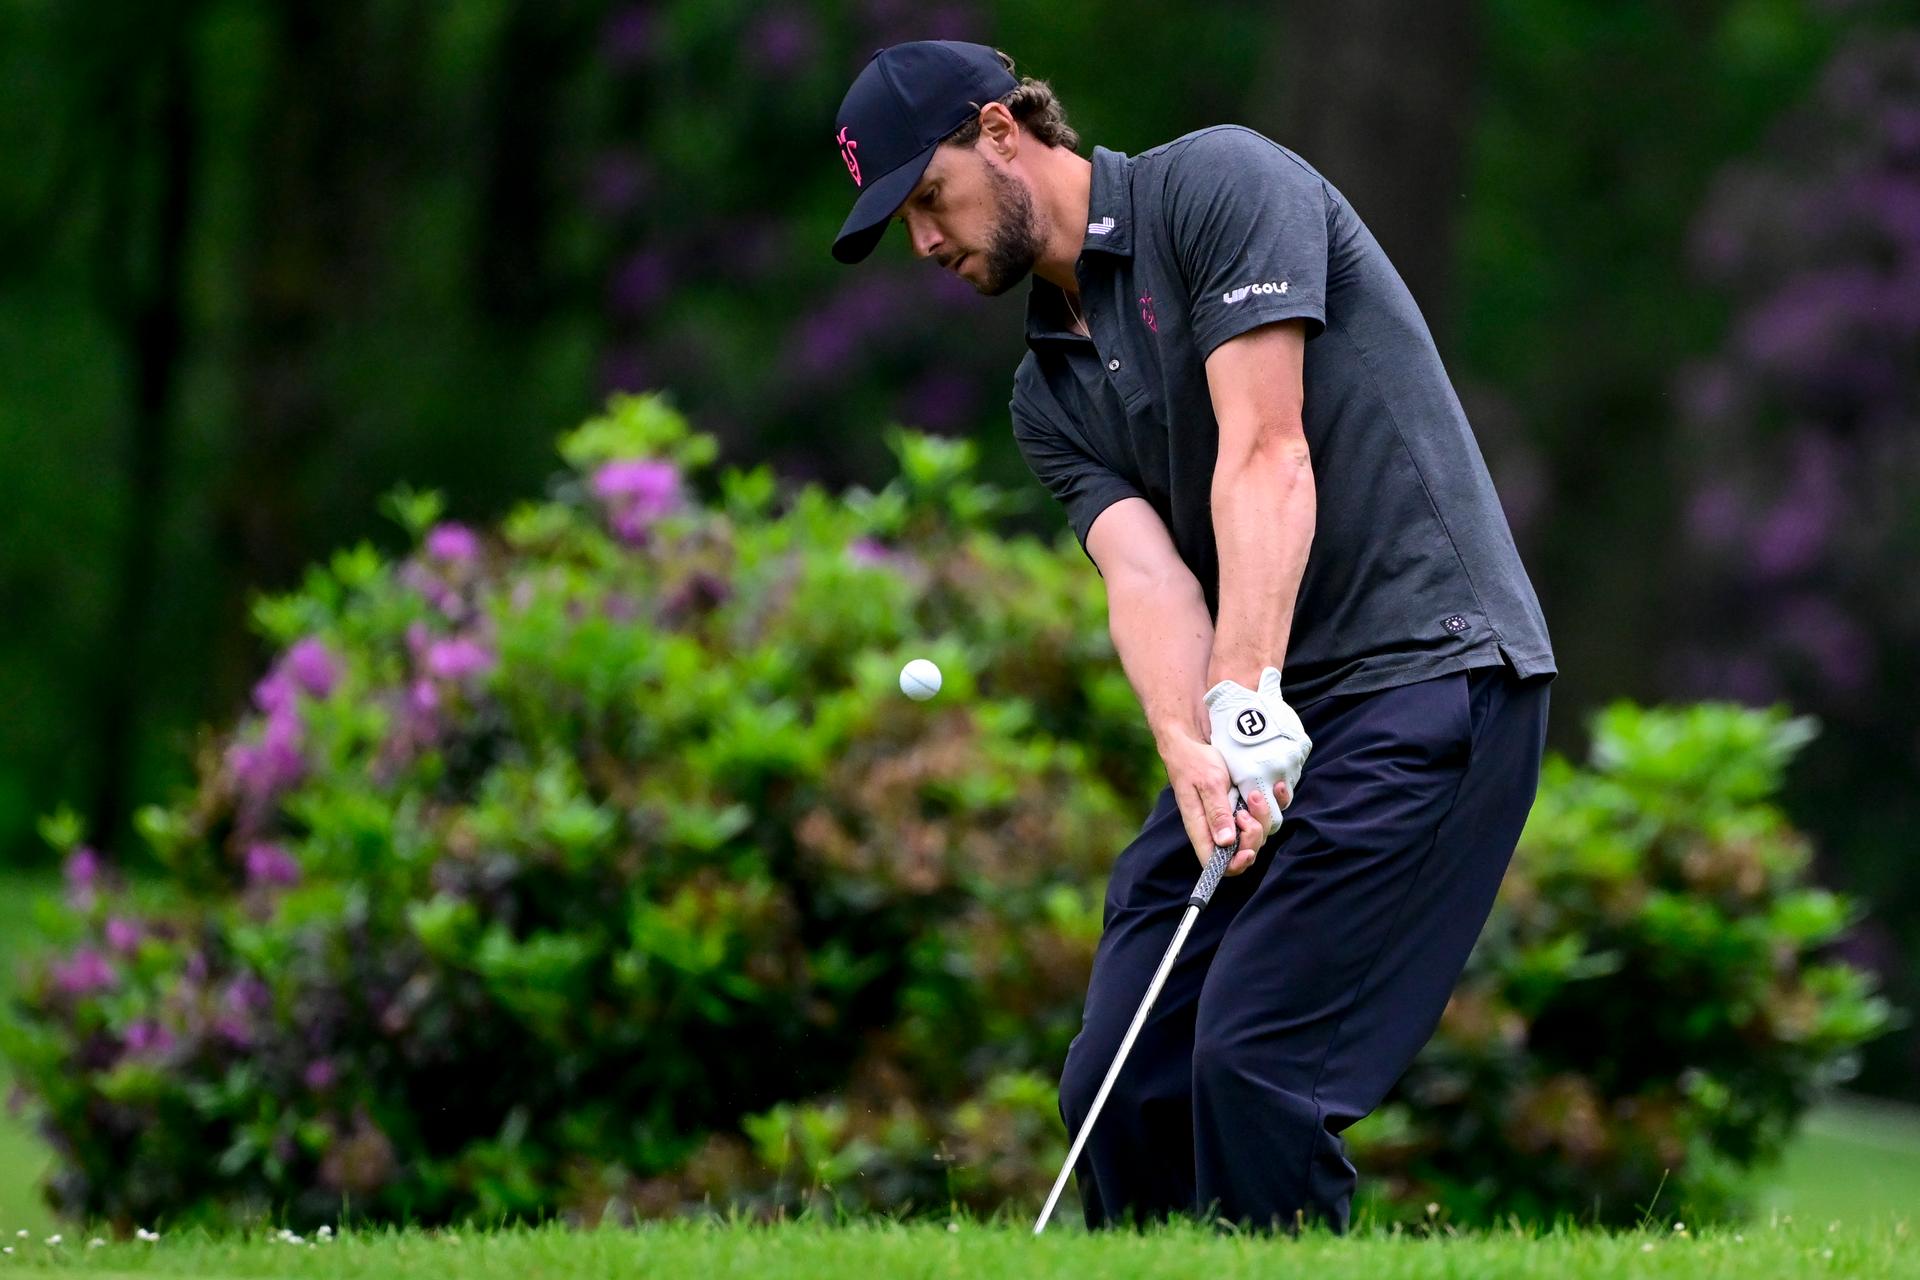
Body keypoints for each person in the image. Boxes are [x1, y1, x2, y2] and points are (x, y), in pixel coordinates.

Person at [829, 40, 1556, 1233]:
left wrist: (1245, 691)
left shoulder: (1220, 186)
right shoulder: (1047, 391)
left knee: (1258, 1063)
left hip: (1431, 673)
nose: (924, 241)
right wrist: (1191, 743)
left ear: (1001, 131)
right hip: (1270, 711)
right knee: (1120, 1082)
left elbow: (1267, 452)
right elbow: (1146, 575)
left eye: (928, 199)